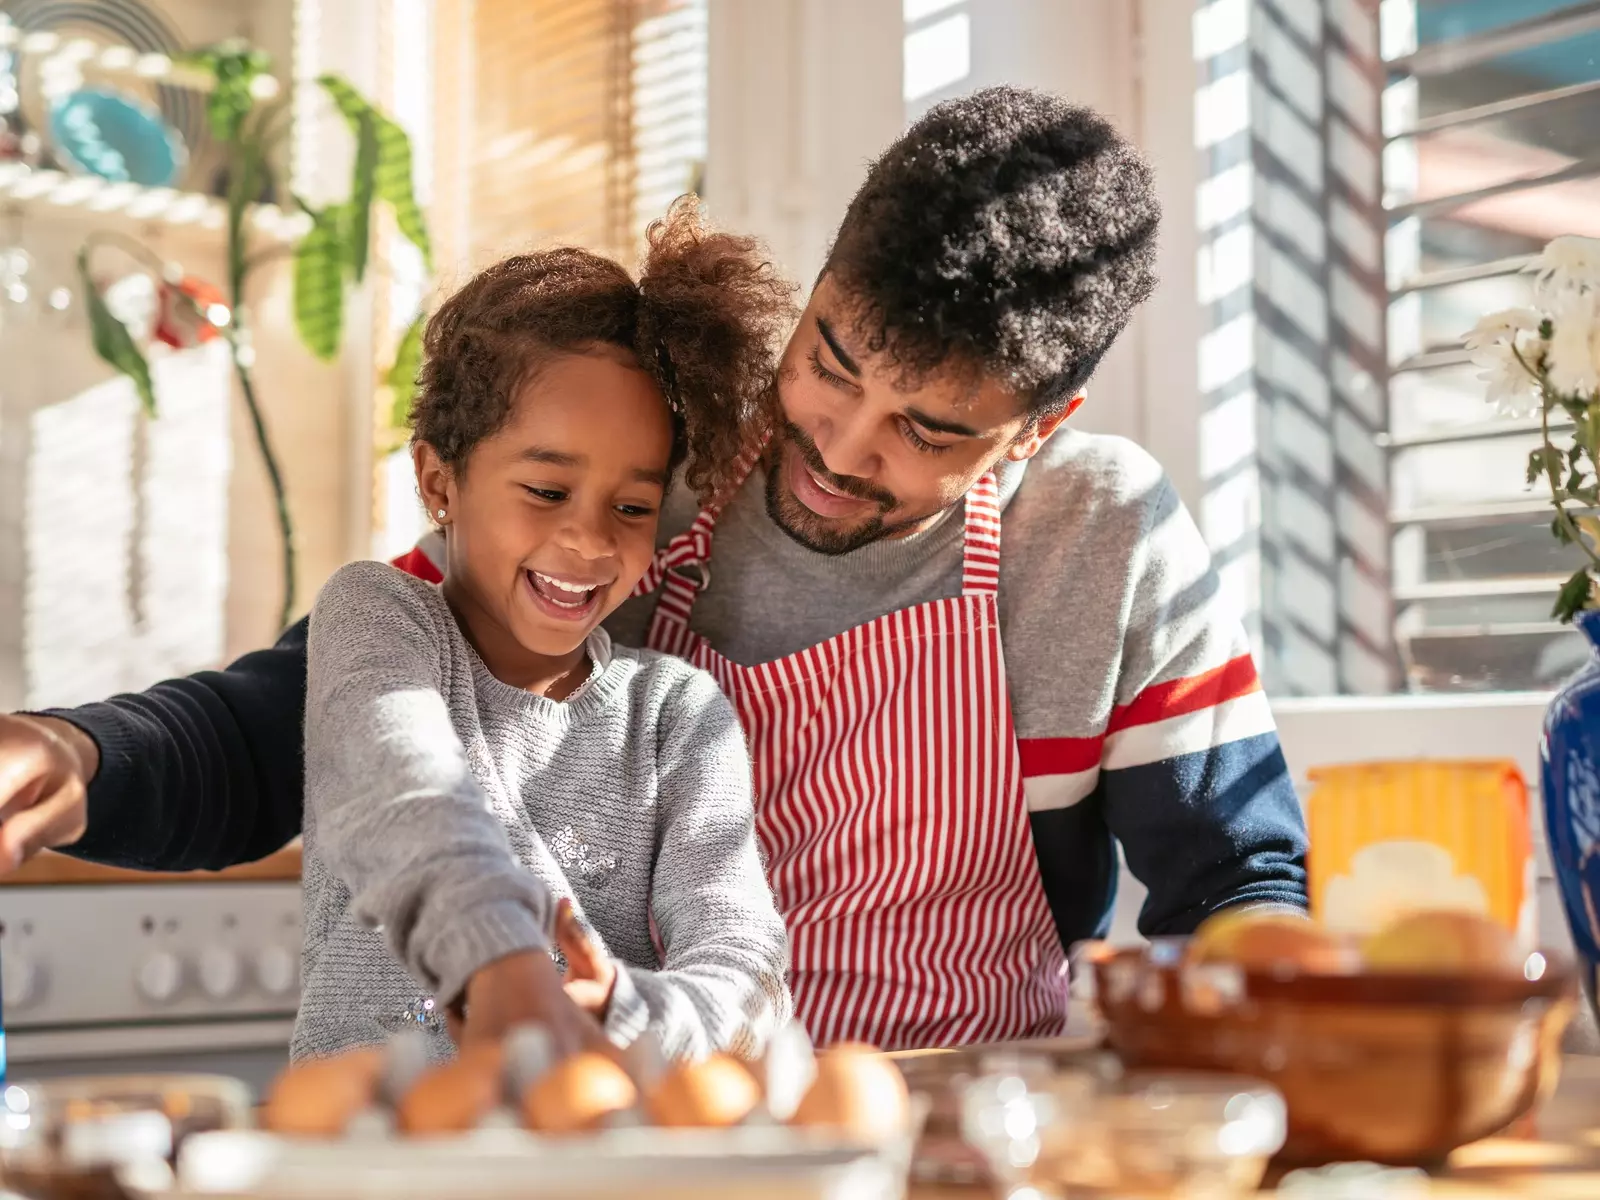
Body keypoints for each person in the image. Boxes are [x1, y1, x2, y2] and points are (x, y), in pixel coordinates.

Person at [0, 87, 1307, 1051]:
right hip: (655, 1132)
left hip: (960, 1135)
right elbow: (322, 713)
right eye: (832, 361)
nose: (836, 451)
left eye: (931, 429)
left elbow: (1238, 889)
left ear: (1041, 428)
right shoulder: (646, 473)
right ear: (819, 285)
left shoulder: (1100, 535)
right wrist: (80, 759)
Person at [292, 200, 793, 1063]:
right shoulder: (378, 618)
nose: (591, 541)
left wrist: (624, 1013)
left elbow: (744, 966)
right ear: (439, 483)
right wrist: (503, 966)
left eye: (632, 507)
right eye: (547, 491)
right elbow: (407, 794)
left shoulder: (675, 714)